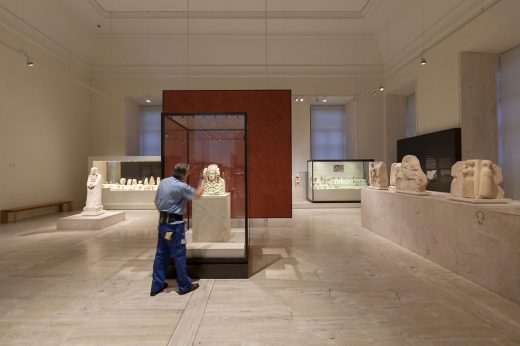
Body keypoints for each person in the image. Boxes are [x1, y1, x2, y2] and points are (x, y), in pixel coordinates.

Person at [150, 163, 203, 296]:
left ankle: (157, 285)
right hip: (175, 226)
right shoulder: (181, 186)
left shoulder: (163, 182)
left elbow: (156, 202)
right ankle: (184, 286)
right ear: (184, 174)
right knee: (179, 255)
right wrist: (202, 180)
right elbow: (197, 194)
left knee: (161, 254)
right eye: (188, 173)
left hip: (163, 225)